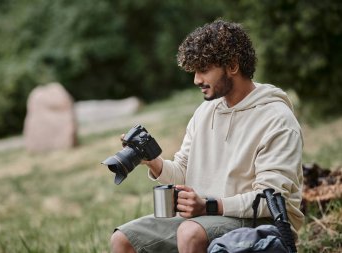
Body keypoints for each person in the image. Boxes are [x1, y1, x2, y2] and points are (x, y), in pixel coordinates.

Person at [110, 19, 304, 253]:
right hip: (203, 216)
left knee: (190, 233)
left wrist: (209, 206)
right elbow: (183, 170)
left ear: (232, 66)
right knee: (123, 239)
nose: (196, 80)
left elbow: (270, 200)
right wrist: (153, 162)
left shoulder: (276, 118)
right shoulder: (205, 112)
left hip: (260, 222)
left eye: (203, 70)